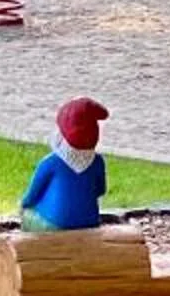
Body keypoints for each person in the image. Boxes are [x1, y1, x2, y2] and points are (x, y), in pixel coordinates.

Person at [19, 97, 109, 231]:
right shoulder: (98, 161)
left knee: (28, 213)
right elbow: (101, 190)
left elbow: (32, 196)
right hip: (90, 223)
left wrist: (23, 204)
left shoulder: (51, 163)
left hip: (55, 225)